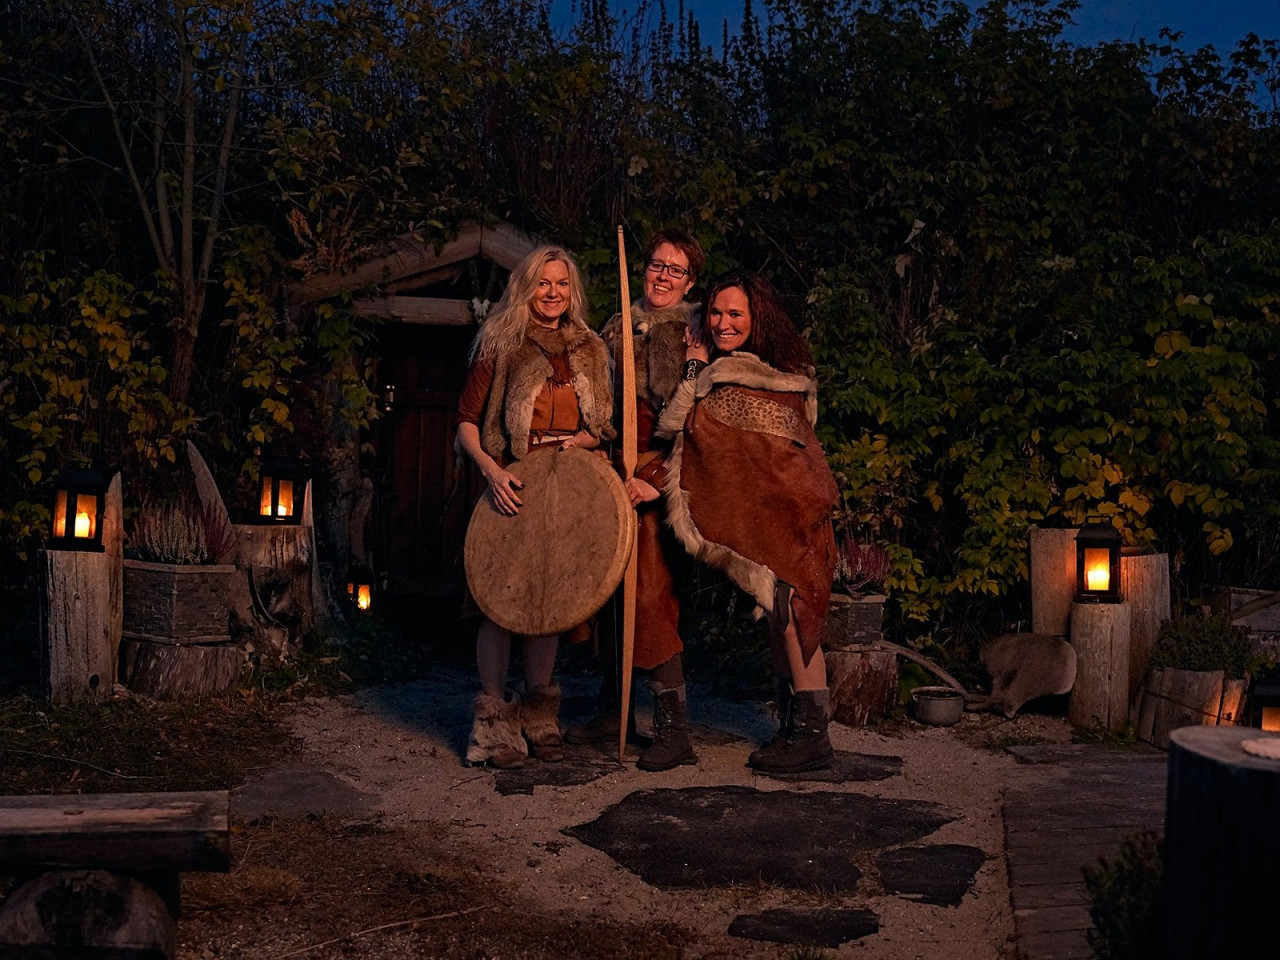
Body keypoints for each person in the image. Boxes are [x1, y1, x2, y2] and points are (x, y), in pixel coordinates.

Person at [656, 271, 840, 773]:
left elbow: (684, 424)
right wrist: (698, 366)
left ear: (758, 318)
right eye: (715, 313)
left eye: (735, 313)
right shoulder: (740, 370)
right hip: (769, 515)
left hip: (792, 513)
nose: (723, 323)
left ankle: (812, 739)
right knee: (781, 615)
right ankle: (795, 729)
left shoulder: (762, 377)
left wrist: (695, 370)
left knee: (795, 613)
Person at [456, 245, 614, 769]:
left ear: (573, 291)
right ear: (527, 287)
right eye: (543, 283)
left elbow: (602, 427)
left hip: (565, 488)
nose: (553, 293)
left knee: (549, 601)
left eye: (562, 284)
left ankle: (539, 715)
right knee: (499, 602)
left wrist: (585, 443)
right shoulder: (501, 340)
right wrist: (492, 470)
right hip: (511, 484)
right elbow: (467, 421)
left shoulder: (591, 348)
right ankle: (493, 726)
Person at [567, 230, 706, 771]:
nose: (663, 276)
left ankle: (675, 731)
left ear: (690, 282)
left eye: (676, 269)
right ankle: (614, 711)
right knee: (608, 593)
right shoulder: (615, 328)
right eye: (656, 265)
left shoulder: (693, 334)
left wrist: (657, 477)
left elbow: (698, 423)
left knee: (650, 598)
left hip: (659, 478)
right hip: (613, 474)